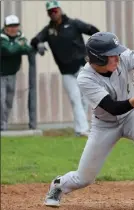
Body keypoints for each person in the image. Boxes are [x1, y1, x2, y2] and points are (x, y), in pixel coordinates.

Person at [44, 32, 134, 210]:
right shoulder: (85, 78)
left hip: (132, 115)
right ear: (98, 58)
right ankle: (59, 185)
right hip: (105, 124)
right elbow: (112, 107)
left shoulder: (123, 57)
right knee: (84, 178)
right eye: (111, 55)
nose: (116, 58)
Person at [30, 0, 100, 136]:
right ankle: (82, 130)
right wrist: (38, 45)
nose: (53, 14)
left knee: (84, 98)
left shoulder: (73, 23)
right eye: (50, 12)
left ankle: (83, 127)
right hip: (65, 71)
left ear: (60, 10)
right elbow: (35, 40)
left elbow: (92, 30)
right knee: (75, 99)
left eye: (55, 10)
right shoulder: (48, 30)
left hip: (82, 66)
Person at [1, 15, 33, 131]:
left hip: (12, 73)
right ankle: (2, 126)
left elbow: (28, 49)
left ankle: (3, 123)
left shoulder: (20, 35)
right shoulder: (2, 37)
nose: (13, 29)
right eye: (10, 26)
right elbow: (8, 50)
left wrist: (18, 46)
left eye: (15, 26)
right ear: (5, 27)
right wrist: (19, 45)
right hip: (1, 74)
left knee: (8, 101)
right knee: (1, 100)